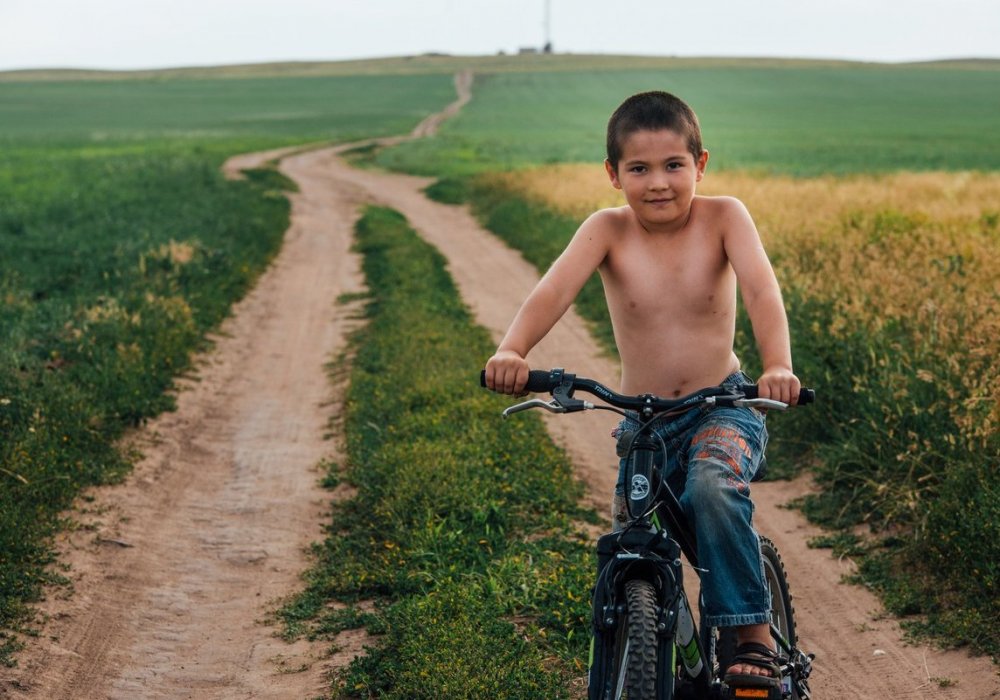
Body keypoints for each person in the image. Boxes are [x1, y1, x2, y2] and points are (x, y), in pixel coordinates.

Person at [483, 90, 801, 688]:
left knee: (711, 485)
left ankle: (752, 635)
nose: (659, 182)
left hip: (723, 407)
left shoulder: (725, 216)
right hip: (644, 423)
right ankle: (653, 657)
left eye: (674, 165)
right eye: (639, 168)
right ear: (613, 174)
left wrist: (777, 365)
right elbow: (553, 292)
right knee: (634, 544)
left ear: (700, 164)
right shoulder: (606, 230)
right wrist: (512, 350)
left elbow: (762, 292)